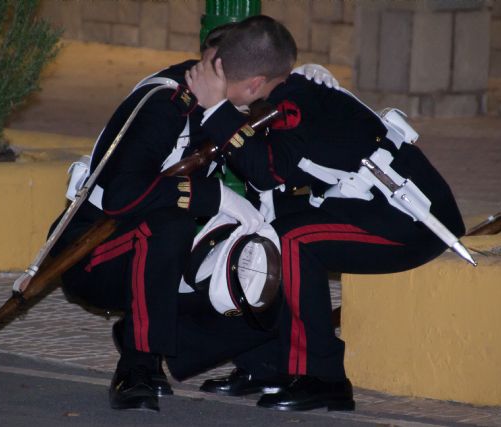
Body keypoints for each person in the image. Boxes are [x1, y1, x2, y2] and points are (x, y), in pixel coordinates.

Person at [167, 52, 466, 412]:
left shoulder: (295, 105)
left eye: (219, 81)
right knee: (260, 232)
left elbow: (263, 170)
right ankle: (265, 366)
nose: (212, 89)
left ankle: (323, 378)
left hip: (413, 222)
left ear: (254, 83)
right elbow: (272, 174)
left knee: (294, 242)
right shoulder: (290, 93)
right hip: (366, 205)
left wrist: (217, 110)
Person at [49, 15, 297, 412]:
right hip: (92, 253)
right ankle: (138, 366)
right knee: (169, 226)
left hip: (163, 257)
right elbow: (121, 197)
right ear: (253, 84)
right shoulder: (164, 105)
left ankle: (258, 364)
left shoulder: (223, 107)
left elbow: (264, 170)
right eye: (271, 86)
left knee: (265, 249)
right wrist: (210, 196)